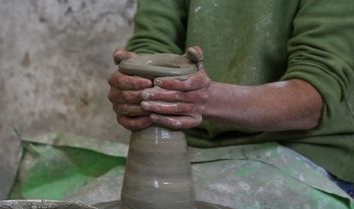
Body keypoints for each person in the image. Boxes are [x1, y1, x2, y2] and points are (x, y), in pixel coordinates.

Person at [107, 0, 354, 196]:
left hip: (300, 148)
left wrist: (203, 99)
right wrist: (138, 82)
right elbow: (153, 40)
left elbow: (315, 95)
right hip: (191, 143)